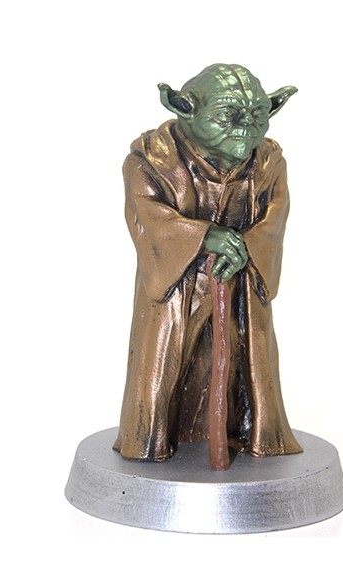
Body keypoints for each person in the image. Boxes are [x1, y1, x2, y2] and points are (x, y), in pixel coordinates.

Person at [113, 64, 303, 461]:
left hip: (242, 280)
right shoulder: (151, 161)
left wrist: (246, 247)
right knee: (165, 363)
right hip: (178, 286)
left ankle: (251, 433)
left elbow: (276, 214)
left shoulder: (268, 162)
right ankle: (151, 439)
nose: (246, 129)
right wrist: (204, 237)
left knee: (245, 359)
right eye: (227, 115)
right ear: (185, 109)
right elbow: (148, 216)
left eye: (257, 115)